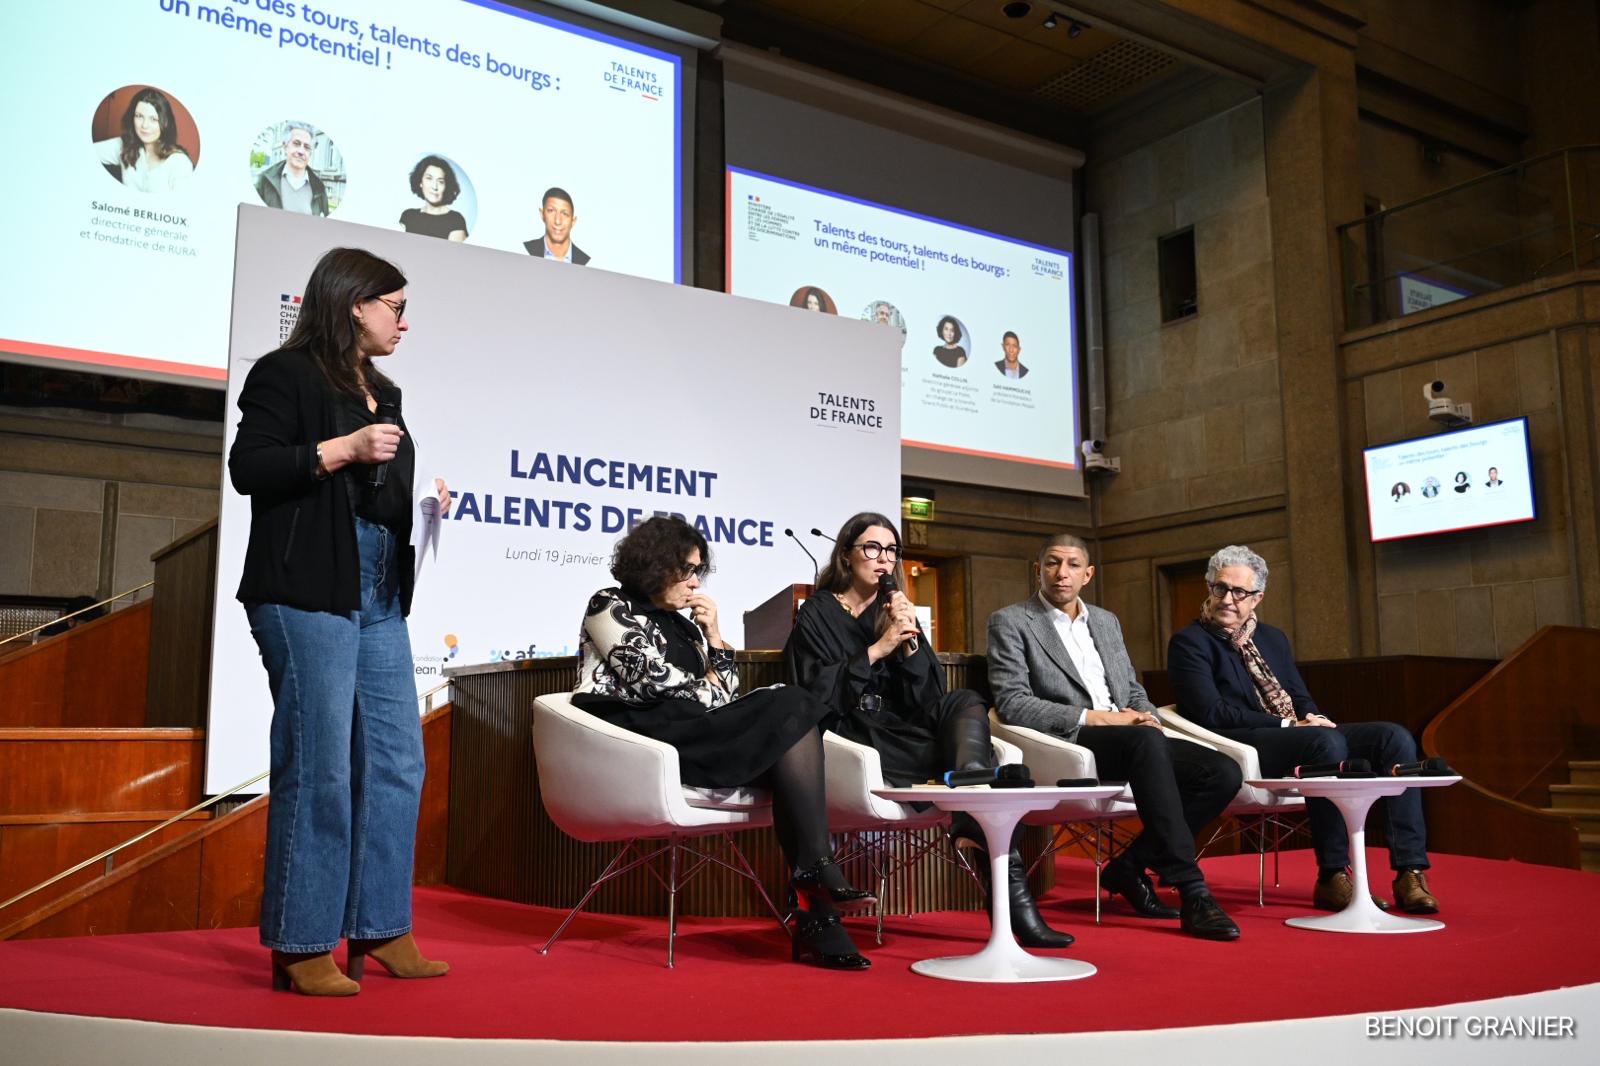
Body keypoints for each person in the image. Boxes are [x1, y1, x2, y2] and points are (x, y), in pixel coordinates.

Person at [230, 247, 451, 995]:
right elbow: (250, 468)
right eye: (394, 305)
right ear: (354, 304)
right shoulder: (285, 374)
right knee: (321, 766)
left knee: (397, 763)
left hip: (380, 593)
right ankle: (301, 943)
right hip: (305, 590)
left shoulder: (382, 389)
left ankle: (383, 925)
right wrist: (342, 449)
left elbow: (373, 491)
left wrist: (423, 507)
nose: (403, 320)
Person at [574, 517, 873, 970]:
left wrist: (714, 639)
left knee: (794, 725)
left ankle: (816, 907)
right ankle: (817, 888)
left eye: (698, 572)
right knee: (791, 707)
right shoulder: (609, 605)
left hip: (692, 730)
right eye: (688, 570)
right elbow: (652, 683)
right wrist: (708, 687)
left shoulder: (688, 626)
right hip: (641, 739)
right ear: (657, 565)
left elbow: (724, 692)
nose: (695, 583)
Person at [785, 512, 1073, 948]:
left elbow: (929, 696)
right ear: (847, 553)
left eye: (890, 550)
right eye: (871, 548)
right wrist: (878, 649)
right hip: (859, 735)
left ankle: (969, 797)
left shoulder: (894, 608)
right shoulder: (820, 611)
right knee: (981, 800)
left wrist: (909, 639)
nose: (883, 559)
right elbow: (815, 692)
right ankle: (986, 840)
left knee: (964, 700)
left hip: (905, 727)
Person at [987, 534, 1242, 940]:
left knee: (1223, 772)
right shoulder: (1012, 621)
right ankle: (1192, 890)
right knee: (1145, 743)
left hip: (1134, 736)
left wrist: (1149, 718)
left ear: (1087, 574)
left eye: (1072, 565)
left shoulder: (1105, 621)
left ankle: (1128, 867)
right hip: (1071, 740)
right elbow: (1014, 703)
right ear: (1038, 570)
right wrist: (1102, 719)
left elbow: (1131, 688)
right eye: (1052, 563)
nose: (1061, 573)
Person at [1166, 545, 1439, 914]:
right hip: (1238, 743)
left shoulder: (1273, 639)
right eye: (1219, 588)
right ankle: (1331, 876)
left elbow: (1297, 695)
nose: (1227, 599)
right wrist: (1289, 724)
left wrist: (1311, 716)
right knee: (1323, 744)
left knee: (1392, 737)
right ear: (1209, 588)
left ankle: (1410, 870)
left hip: (1297, 733)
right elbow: (1211, 712)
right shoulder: (1190, 642)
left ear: (1257, 598)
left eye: (1239, 592)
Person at [94, 87, 193, 194]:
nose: (144, 125)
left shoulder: (179, 163)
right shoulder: (124, 146)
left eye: (153, 119)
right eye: (139, 116)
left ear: (165, 123)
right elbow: (83, 151)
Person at [255, 124, 330, 216]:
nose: (301, 151)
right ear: (285, 147)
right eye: (296, 144)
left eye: (306, 147)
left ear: (310, 153)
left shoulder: (319, 188)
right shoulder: (265, 180)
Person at [399, 156, 467, 241]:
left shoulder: (455, 220)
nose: (435, 187)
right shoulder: (408, 215)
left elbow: (454, 253)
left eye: (440, 181)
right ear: (420, 182)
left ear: (446, 186)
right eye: (429, 178)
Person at [523, 187, 588, 264]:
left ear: (573, 221)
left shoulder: (586, 262)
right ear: (542, 214)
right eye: (551, 211)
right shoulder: (524, 251)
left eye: (565, 214)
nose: (557, 221)